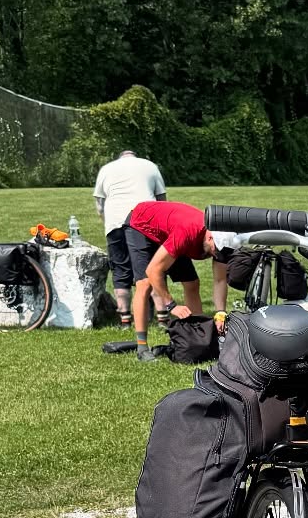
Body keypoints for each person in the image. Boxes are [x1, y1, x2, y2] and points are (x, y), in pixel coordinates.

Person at [123, 197, 231, 361]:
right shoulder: (188, 233)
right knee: (145, 284)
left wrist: (221, 313)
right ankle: (142, 347)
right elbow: (153, 271)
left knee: (192, 283)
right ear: (209, 238)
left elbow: (220, 281)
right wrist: (171, 305)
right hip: (141, 223)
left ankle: (200, 337)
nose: (215, 255)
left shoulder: (222, 245)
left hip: (169, 232)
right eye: (215, 251)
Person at [92, 146, 165, 328]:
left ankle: (125, 318)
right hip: (146, 219)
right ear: (134, 155)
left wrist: (106, 222)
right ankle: (163, 317)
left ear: (120, 157)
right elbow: (162, 199)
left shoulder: (107, 169)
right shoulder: (150, 166)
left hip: (115, 221)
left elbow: (99, 203)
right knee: (152, 267)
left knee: (120, 268)